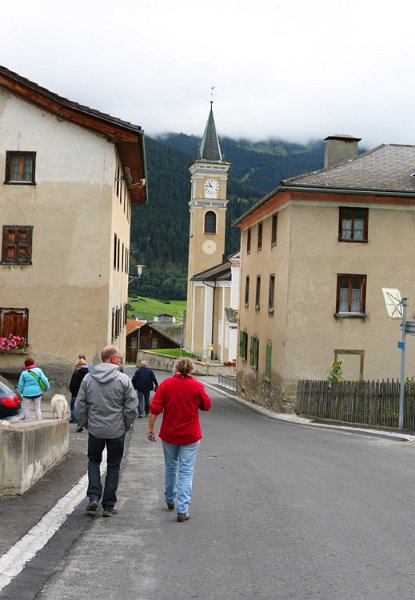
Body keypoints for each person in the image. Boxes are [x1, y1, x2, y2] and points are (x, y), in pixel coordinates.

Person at [75, 345, 138, 517]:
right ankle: (109, 506)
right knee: (113, 465)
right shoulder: (123, 380)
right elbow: (131, 407)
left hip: (95, 428)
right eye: (119, 357)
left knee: (94, 461)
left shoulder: (89, 378)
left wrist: (86, 423)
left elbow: (80, 404)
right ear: (112, 358)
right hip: (117, 430)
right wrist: (127, 425)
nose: (120, 359)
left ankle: (94, 496)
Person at [147, 358, 211, 522]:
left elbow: (155, 407)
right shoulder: (196, 386)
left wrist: (150, 427)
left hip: (169, 434)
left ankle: (169, 499)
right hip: (190, 435)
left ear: (176, 368)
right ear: (191, 370)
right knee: (186, 470)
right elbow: (206, 405)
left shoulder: (166, 385)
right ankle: (183, 510)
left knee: (170, 466)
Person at [18, 356, 50, 420]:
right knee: (37, 409)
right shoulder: (38, 370)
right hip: (37, 393)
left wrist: (20, 392)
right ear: (33, 363)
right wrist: (47, 388)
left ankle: (26, 423)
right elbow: (44, 380)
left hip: (27, 394)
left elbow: (20, 385)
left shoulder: (24, 373)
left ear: (25, 364)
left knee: (26, 409)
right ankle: (39, 422)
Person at [68, 357, 89, 423]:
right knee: (85, 408)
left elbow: (72, 385)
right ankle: (83, 421)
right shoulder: (89, 374)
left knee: (73, 407)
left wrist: (72, 391)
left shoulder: (76, 373)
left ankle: (74, 419)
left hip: (76, 394)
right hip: (87, 394)